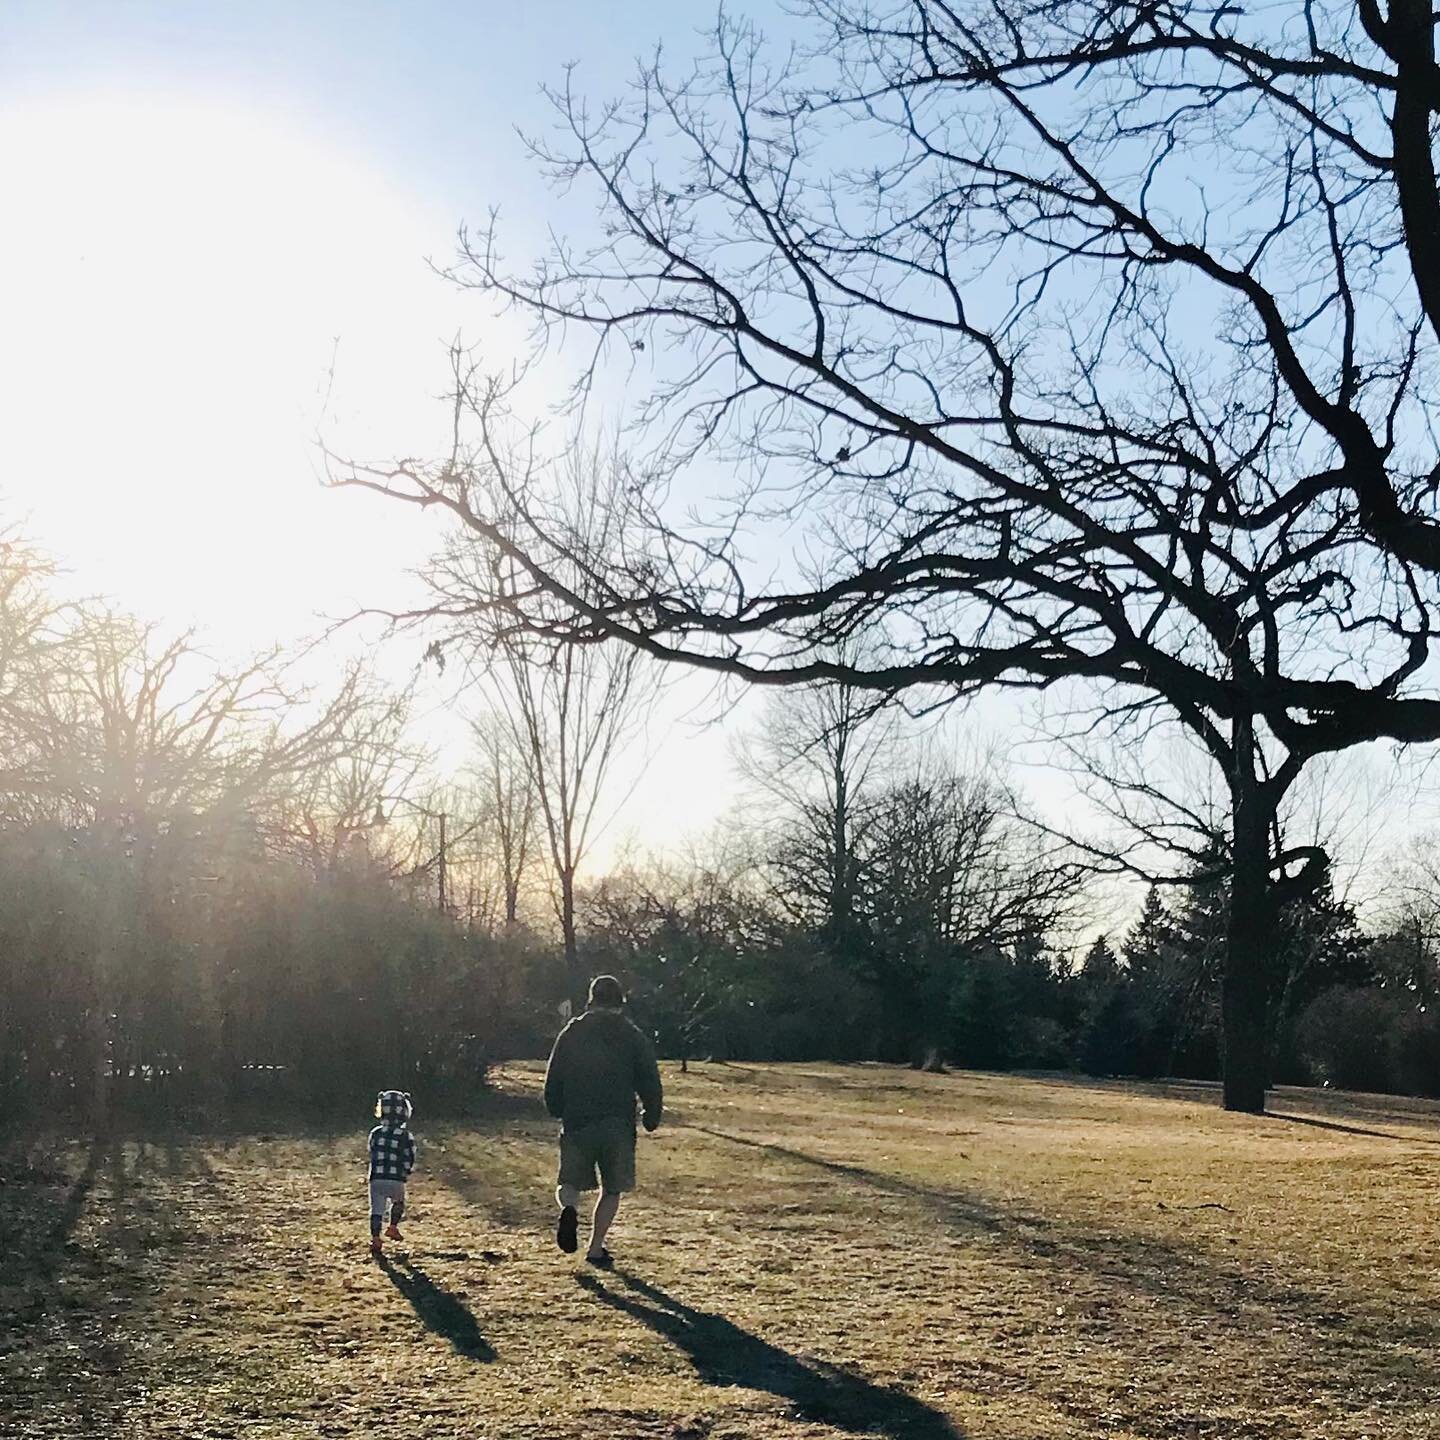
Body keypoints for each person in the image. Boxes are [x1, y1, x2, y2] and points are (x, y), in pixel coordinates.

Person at [543, 975, 663, 1268]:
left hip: (578, 1119)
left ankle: (569, 1209)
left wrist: (555, 1105)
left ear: (591, 999)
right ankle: (596, 1248)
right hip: (617, 1123)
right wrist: (651, 1113)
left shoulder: (572, 1032)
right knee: (612, 1188)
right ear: (620, 1003)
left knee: (568, 1181)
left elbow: (554, 1073)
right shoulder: (632, 1035)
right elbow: (649, 1078)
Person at [367, 1089, 417, 1256]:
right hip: (396, 1177)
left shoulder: (376, 1132)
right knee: (399, 1201)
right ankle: (393, 1227)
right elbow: (410, 1156)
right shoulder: (405, 1135)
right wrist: (407, 1170)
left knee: (376, 1210)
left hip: (377, 1177)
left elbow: (372, 1150)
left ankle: (375, 1238)